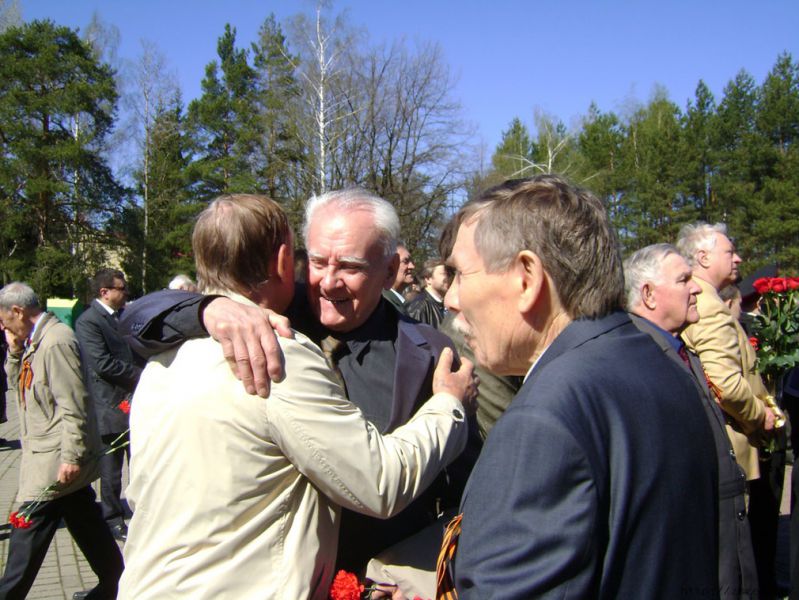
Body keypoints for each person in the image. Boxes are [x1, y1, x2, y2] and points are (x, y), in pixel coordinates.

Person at [118, 194, 474, 599]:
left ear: (390, 269)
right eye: (318, 262)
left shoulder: (432, 352)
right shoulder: (266, 337)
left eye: (350, 266)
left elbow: (462, 488)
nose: (328, 281)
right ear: (290, 260)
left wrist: (420, 572)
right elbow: (380, 481)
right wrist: (208, 310)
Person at [444, 176, 718, 598]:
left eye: (461, 275)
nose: (450, 299)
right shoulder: (661, 364)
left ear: (526, 278)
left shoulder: (543, 421)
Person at [624, 243, 757, 599]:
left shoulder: (678, 348)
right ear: (649, 294)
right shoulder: (640, 359)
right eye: (684, 280)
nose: (696, 287)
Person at [0, 282, 123, 600]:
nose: (3, 327)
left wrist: (72, 456)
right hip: (50, 459)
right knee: (88, 525)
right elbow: (20, 390)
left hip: (54, 465)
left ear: (18, 311)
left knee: (24, 534)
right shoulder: (34, 341)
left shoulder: (56, 341)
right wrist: (14, 352)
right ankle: (115, 585)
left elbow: (75, 403)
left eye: (4, 319)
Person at [677, 223, 781, 598]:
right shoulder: (708, 307)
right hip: (733, 441)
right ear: (703, 257)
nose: (737, 258)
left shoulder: (703, 301)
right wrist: (760, 417)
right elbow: (724, 384)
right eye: (729, 252)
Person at [75, 268, 142, 542]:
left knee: (139, 462)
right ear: (105, 292)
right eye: (121, 289)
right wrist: (142, 375)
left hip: (134, 402)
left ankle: (142, 513)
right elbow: (102, 364)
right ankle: (112, 518)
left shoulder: (123, 315)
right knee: (111, 470)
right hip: (109, 404)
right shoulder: (89, 321)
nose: (126, 293)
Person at [406, 259, 449, 328]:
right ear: (428, 279)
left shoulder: (444, 305)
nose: (447, 277)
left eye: (448, 274)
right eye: (443, 274)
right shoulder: (419, 307)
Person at [382, 243, 414, 312]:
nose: (412, 266)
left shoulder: (397, 302)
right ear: (390, 267)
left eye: (411, 261)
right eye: (405, 261)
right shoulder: (384, 304)